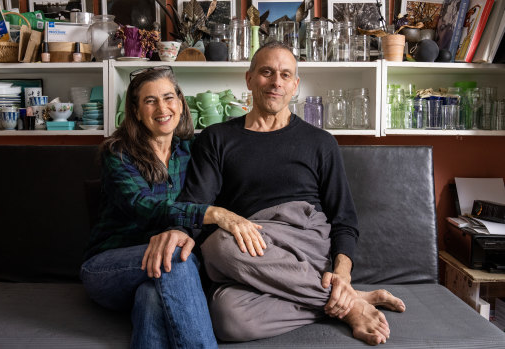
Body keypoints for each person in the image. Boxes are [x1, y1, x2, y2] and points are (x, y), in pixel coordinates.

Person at [172, 42, 406, 345]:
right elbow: (195, 205)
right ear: (249, 79)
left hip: (305, 242)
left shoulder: (321, 142)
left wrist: (342, 275)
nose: (276, 82)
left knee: (221, 245)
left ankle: (341, 299)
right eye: (266, 72)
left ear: (295, 85)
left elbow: (344, 219)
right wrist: (179, 229)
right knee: (225, 314)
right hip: (251, 248)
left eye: (285, 75)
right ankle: (349, 303)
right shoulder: (217, 138)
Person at [80, 65, 264, 348]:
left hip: (161, 274)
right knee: (176, 256)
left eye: (168, 97)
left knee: (151, 297)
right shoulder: (117, 153)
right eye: (150, 100)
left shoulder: (194, 151)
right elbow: (143, 206)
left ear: (180, 102)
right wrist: (210, 213)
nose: (161, 108)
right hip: (110, 267)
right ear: (137, 110)